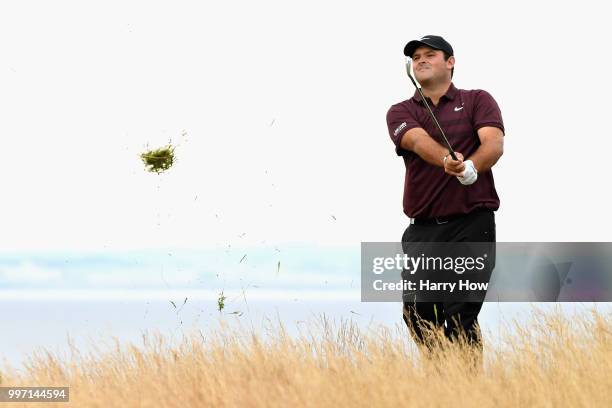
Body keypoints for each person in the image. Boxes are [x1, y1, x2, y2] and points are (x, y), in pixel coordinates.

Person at [385, 35, 504, 356]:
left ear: (450, 62)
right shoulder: (400, 111)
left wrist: (472, 167)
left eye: (430, 55)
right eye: (416, 57)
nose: (421, 60)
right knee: (418, 315)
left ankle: (466, 393)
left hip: (471, 225)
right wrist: (446, 161)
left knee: (461, 315)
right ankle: (441, 383)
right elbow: (416, 140)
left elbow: (493, 143)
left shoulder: (478, 99)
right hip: (423, 229)